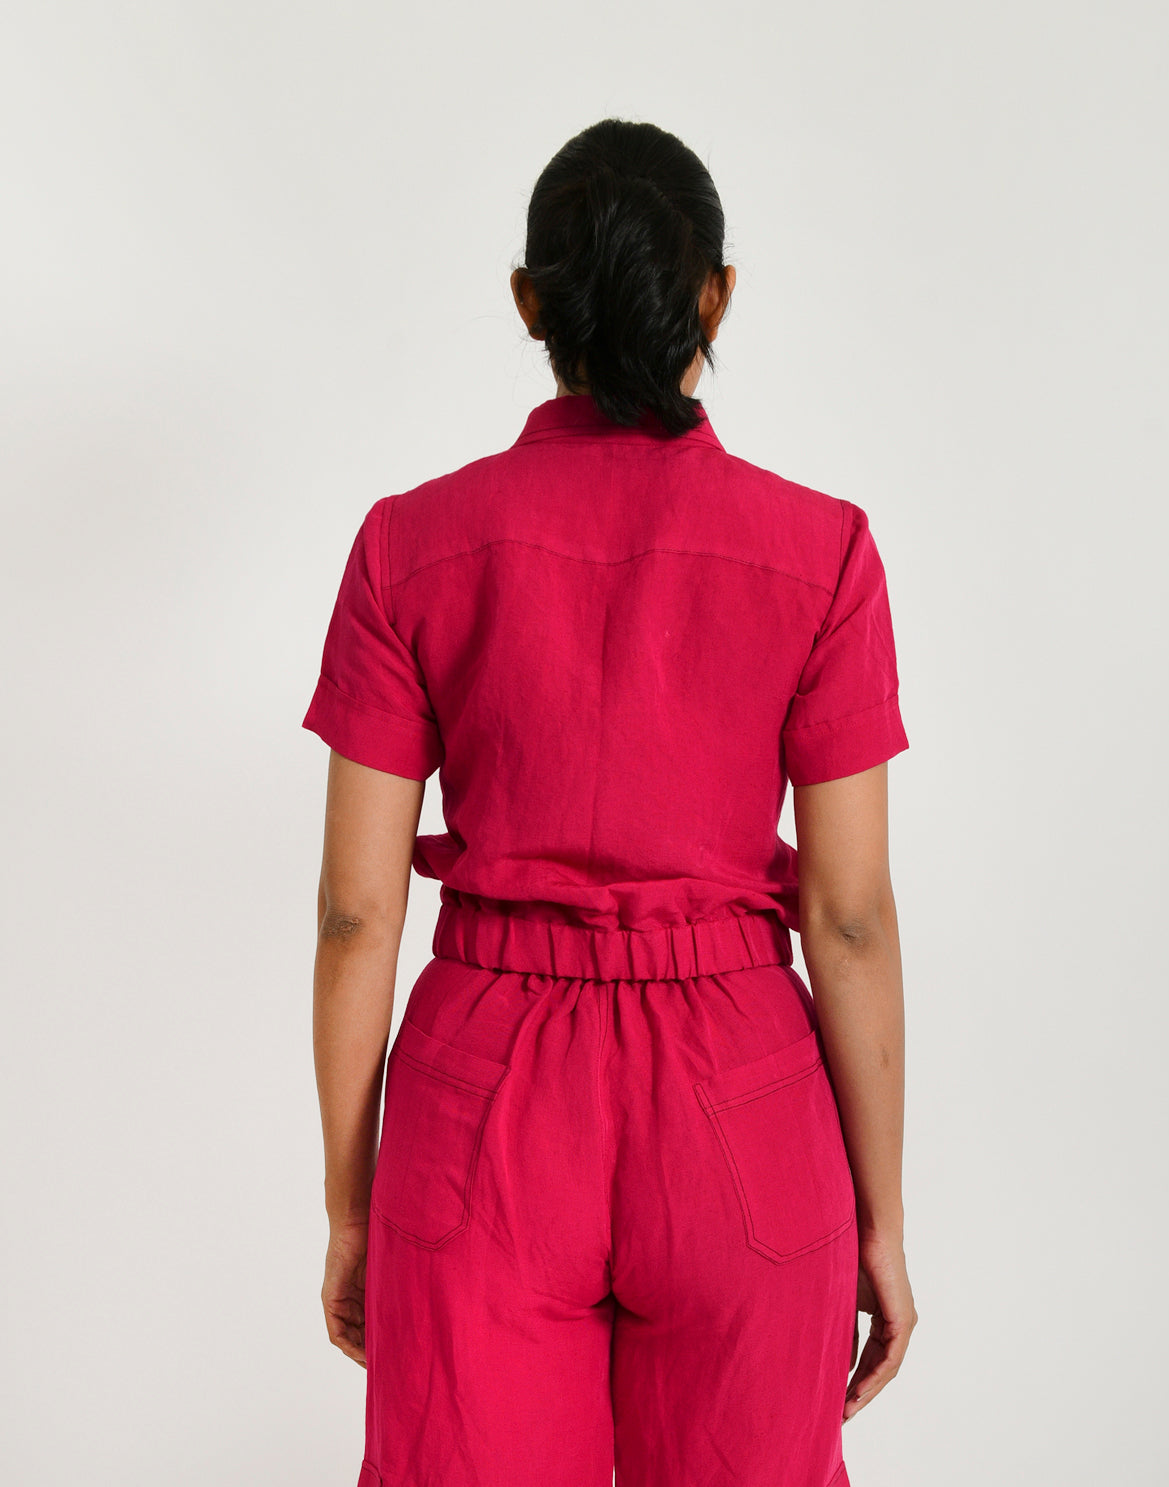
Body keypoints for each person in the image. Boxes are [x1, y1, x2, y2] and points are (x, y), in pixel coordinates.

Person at [302, 116, 917, 1487]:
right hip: (742, 1103)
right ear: (717, 297)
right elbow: (850, 918)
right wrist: (879, 1216)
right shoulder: (824, 553)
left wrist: (349, 1207)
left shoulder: (410, 546)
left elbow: (356, 915)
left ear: (531, 303)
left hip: (484, 1099)